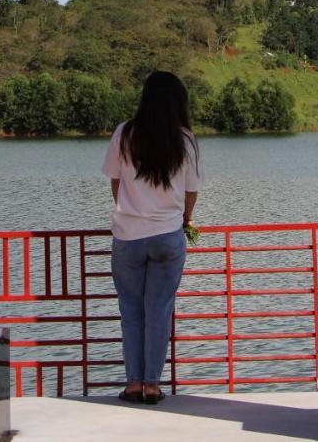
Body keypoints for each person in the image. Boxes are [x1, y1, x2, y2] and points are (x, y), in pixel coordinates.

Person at [102, 71, 202, 405]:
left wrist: (127, 207)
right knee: (159, 309)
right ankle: (152, 386)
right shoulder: (185, 140)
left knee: (131, 311)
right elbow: (191, 192)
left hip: (127, 236)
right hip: (168, 236)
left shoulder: (124, 133)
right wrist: (185, 219)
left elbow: (115, 182)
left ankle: (132, 384)